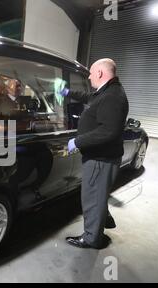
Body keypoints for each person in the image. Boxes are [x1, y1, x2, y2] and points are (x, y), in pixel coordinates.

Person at [59, 58, 129, 249]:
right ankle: (102, 222)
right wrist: (67, 92)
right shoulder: (107, 91)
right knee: (98, 195)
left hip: (101, 159)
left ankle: (91, 238)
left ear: (99, 73)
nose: (89, 77)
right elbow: (88, 97)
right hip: (100, 157)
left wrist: (78, 141)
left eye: (91, 73)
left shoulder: (113, 96)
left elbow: (108, 131)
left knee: (92, 198)